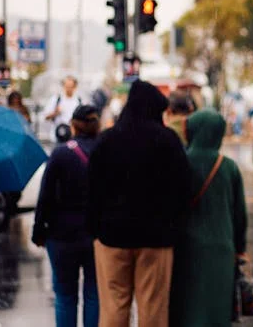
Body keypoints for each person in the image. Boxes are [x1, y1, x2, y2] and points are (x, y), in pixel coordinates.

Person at [87, 80, 192, 327]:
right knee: (153, 309)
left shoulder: (106, 140)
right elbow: (183, 189)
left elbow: (92, 189)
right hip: (156, 239)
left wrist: (95, 229)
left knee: (113, 306)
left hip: (112, 238)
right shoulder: (168, 141)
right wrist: (173, 225)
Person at [169, 109, 247, 327]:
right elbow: (239, 214)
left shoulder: (181, 162)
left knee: (187, 309)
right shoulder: (229, 167)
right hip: (221, 250)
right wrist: (239, 249)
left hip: (185, 248)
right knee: (216, 310)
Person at [32, 105, 101, 327]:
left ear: (73, 125)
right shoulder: (105, 151)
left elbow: (46, 195)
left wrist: (39, 230)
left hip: (61, 235)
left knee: (64, 295)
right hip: (95, 233)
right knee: (93, 294)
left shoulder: (61, 153)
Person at [42, 76, 83, 141]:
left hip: (73, 138)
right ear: (63, 86)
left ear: (75, 87)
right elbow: (45, 117)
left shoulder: (79, 101)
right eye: (66, 86)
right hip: (58, 136)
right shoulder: (56, 99)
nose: (68, 89)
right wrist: (55, 113)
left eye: (70, 86)